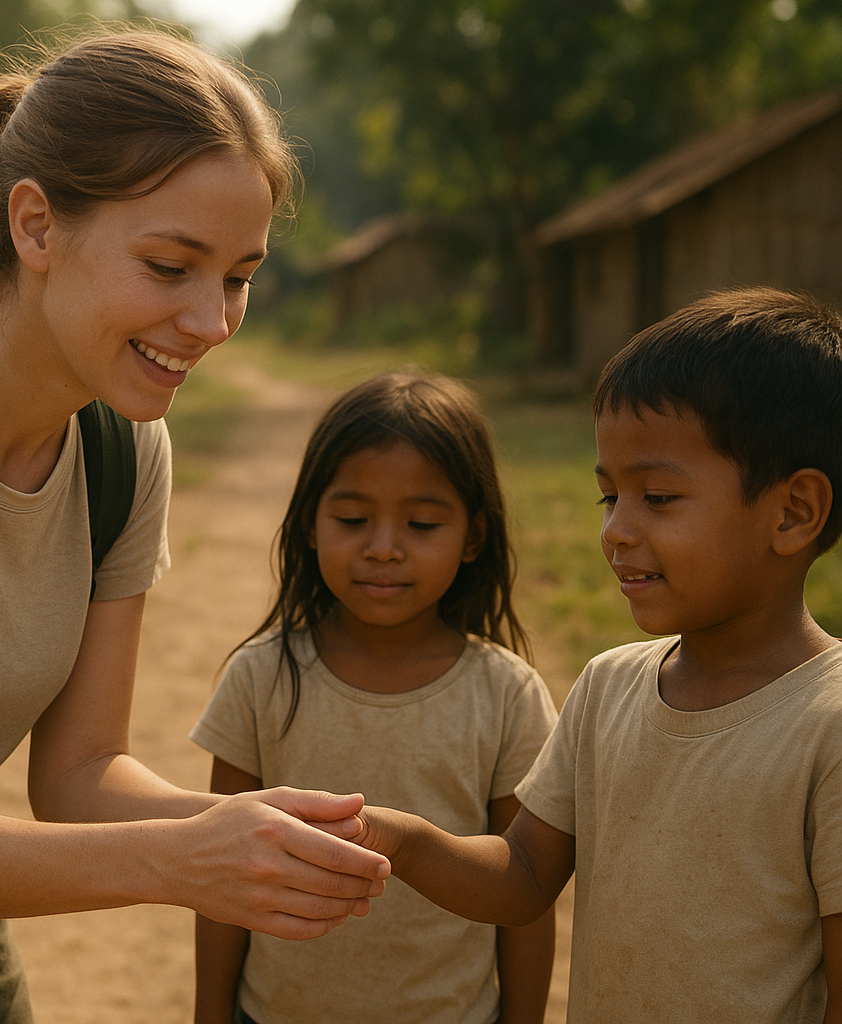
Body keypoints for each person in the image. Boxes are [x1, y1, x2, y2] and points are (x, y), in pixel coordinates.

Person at [0, 27, 390, 1022]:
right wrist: (176, 860)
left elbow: (80, 773)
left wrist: (252, 830)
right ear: (36, 227)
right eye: (170, 266)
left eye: (238, 277)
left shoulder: (124, 451)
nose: (211, 322)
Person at [350, 289, 842, 1023]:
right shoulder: (608, 687)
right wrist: (402, 840)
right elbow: (522, 877)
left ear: (794, 512)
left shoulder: (827, 725)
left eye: (658, 497)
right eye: (609, 497)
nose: (616, 530)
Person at [190, 370, 559, 1024]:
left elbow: (524, 891)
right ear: (310, 523)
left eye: (421, 523)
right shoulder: (261, 677)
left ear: (473, 537)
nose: (383, 548)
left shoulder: (506, 695)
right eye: (353, 519)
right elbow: (223, 875)